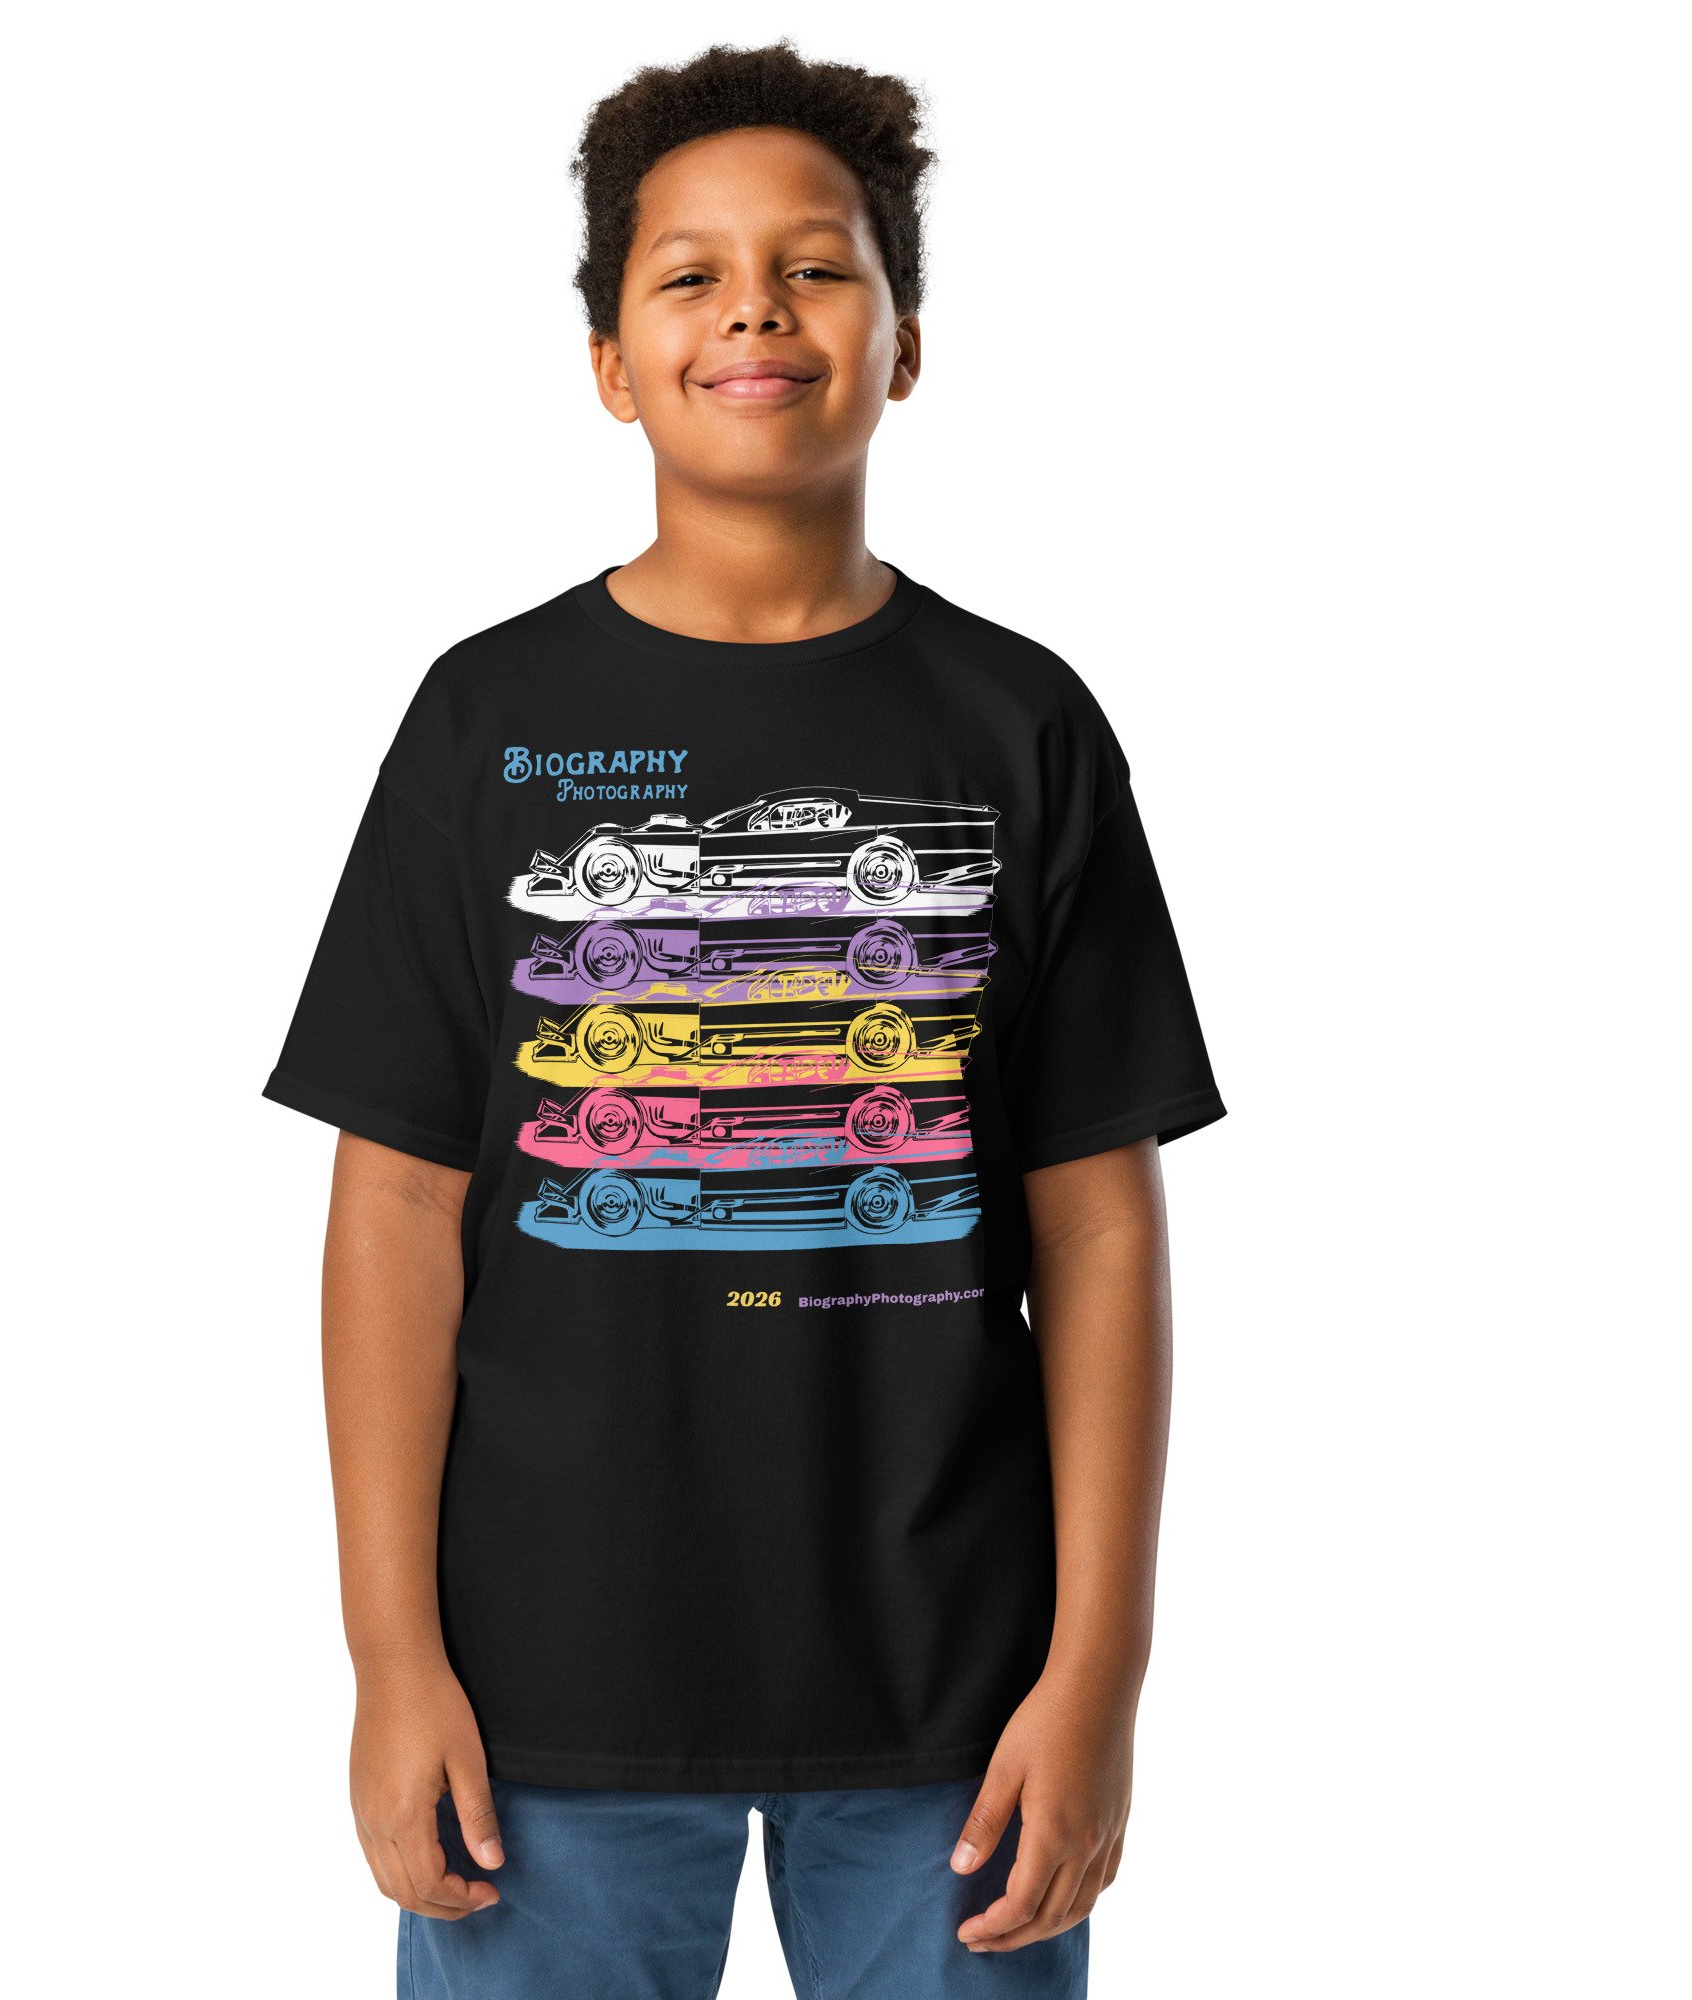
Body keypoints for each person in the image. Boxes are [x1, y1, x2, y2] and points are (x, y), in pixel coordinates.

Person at [265, 41, 1224, 2000]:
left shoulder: (1021, 725)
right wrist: (388, 1658)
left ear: (905, 343)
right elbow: (396, 1207)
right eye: (690, 274)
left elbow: (1098, 1228)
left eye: (816, 266)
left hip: (954, 1686)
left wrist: (1099, 1674)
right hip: (541, 1688)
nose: (756, 311)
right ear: (611, 363)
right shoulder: (485, 720)